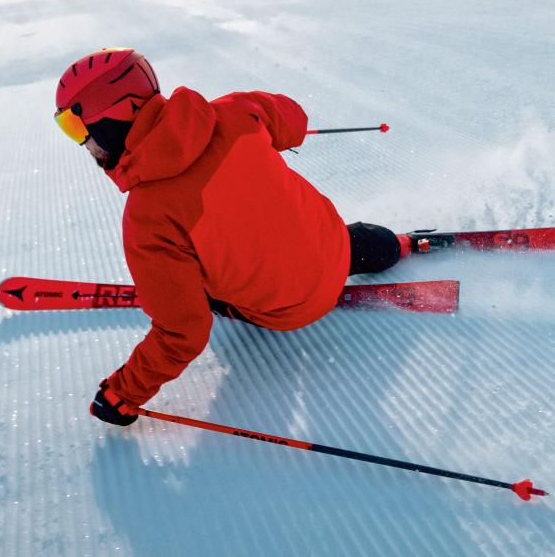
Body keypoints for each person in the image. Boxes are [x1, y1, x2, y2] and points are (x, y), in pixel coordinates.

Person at [52, 48, 410, 427]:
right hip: (335, 248)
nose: (82, 144)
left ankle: (197, 291)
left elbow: (184, 333)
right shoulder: (236, 111)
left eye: (75, 127)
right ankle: (399, 244)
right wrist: (263, 126)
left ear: (113, 119)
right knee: (354, 240)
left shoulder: (147, 218)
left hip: (284, 312)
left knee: (198, 287)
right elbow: (293, 118)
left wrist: (122, 394)